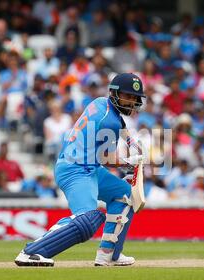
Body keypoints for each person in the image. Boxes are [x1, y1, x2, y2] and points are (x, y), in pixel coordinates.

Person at [15, 73, 146, 267]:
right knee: (86, 219)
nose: (132, 102)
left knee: (125, 195)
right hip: (75, 170)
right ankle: (31, 252)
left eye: (135, 98)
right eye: (128, 96)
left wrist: (129, 140)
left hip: (88, 167)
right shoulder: (108, 121)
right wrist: (129, 160)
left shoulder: (101, 102)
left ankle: (109, 254)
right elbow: (106, 157)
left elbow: (119, 124)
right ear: (114, 93)